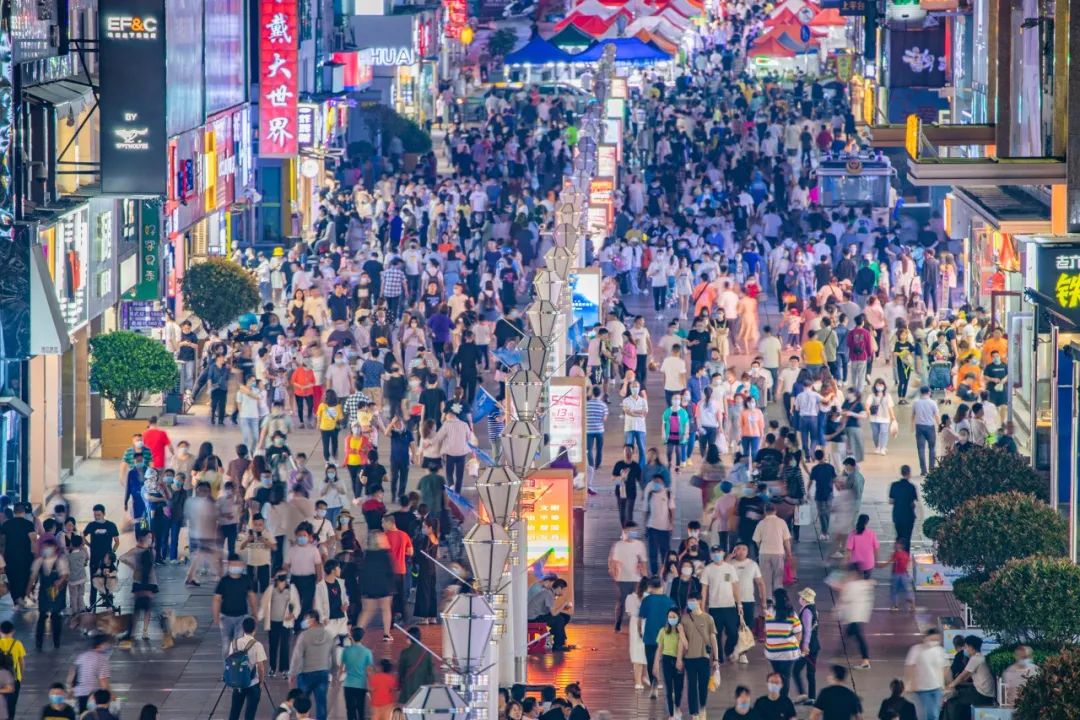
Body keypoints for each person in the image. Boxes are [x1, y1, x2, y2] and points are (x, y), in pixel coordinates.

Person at [290, 610, 336, 720]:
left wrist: (292, 673)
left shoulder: (304, 635)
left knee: (302, 704)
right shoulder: (329, 635)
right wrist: (333, 672)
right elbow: (333, 655)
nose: (305, 621)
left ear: (313, 619)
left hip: (305, 674)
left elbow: (297, 656)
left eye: (306, 619)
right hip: (322, 673)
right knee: (321, 703)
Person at [701, 545, 742, 664]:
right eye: (714, 553)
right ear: (711, 555)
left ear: (723, 553)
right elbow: (704, 589)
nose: (716, 555)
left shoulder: (730, 568)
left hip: (729, 606)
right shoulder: (708, 569)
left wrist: (739, 604)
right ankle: (718, 658)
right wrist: (703, 607)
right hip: (715, 607)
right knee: (716, 634)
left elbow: (735, 587)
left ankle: (728, 650)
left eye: (719, 552)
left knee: (733, 633)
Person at [213, 555, 258, 658]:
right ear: (228, 565)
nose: (236, 567)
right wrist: (216, 616)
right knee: (226, 646)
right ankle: (227, 671)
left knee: (239, 645)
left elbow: (252, 596)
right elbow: (217, 599)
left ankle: (238, 670)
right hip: (225, 618)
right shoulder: (224, 581)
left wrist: (255, 612)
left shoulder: (246, 579)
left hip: (242, 617)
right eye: (233, 564)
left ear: (242, 565)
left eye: (238, 564)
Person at [29, 537, 68, 651]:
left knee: (56, 616)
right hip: (44, 592)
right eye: (45, 547)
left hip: (57, 592)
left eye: (48, 547)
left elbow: (65, 575)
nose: (46, 549)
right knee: (42, 616)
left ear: (55, 548)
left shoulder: (60, 560)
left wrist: (60, 581)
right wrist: (29, 590)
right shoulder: (39, 561)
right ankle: (39, 642)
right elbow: (33, 577)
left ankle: (56, 641)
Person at [942, 635, 995, 720]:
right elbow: (966, 677)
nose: (965, 649)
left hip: (981, 694)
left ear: (971, 647)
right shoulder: (980, 657)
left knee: (952, 700)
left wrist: (950, 686)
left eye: (966, 647)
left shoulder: (976, 659)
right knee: (958, 696)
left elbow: (963, 676)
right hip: (985, 693)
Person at [640, 576, 676, 697]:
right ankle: (671, 688)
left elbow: (641, 618)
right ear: (662, 586)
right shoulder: (669, 601)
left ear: (650, 587)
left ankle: (654, 685)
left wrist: (640, 631)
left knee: (651, 662)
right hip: (667, 636)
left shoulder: (646, 600)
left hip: (650, 635)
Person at [226, 616, 268, 720]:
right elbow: (261, 667)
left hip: (238, 683)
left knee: (234, 712)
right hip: (253, 683)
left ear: (243, 628)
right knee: (250, 714)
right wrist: (261, 682)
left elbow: (230, 660)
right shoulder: (257, 645)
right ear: (255, 629)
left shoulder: (234, 643)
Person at [609, 521, 647, 632]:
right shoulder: (619, 545)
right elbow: (613, 562)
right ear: (625, 531)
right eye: (630, 531)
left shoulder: (640, 545)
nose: (633, 533)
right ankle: (618, 623)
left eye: (635, 531)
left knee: (638, 601)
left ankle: (636, 624)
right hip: (622, 579)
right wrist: (614, 575)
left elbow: (643, 562)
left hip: (636, 579)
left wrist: (645, 577)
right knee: (621, 602)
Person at [763, 589, 802, 697]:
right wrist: (796, 646)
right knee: (786, 677)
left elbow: (766, 631)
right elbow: (798, 631)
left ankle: (777, 697)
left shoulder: (769, 613)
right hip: (788, 653)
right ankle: (784, 699)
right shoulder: (791, 614)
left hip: (772, 652)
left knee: (778, 675)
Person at [904, 629, 949, 720]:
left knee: (935, 713)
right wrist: (910, 682)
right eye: (932, 639)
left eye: (937, 639)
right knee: (930, 713)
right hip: (923, 688)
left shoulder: (940, 651)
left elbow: (945, 667)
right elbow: (909, 667)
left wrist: (946, 683)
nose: (934, 642)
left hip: (937, 688)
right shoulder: (916, 649)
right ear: (925, 638)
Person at [753, 504, 793, 599]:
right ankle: (778, 597)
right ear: (775, 511)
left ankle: (769, 599)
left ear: (765, 511)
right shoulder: (782, 522)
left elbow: (757, 540)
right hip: (778, 552)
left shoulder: (761, 523)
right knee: (778, 577)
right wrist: (789, 554)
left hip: (764, 553)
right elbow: (786, 540)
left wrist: (761, 548)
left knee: (766, 577)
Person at [653, 607, 686, 720]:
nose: (672, 619)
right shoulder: (663, 631)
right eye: (670, 617)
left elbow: (684, 645)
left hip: (679, 660)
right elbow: (659, 648)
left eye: (674, 617)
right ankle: (671, 714)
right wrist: (656, 663)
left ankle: (677, 707)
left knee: (679, 687)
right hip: (666, 660)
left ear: (678, 617)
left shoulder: (681, 630)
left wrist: (679, 660)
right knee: (668, 688)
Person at [68, 634, 112, 713]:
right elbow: (103, 680)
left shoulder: (82, 656)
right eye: (107, 644)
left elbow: (73, 673)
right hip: (93, 694)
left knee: (83, 715)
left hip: (80, 692)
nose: (108, 646)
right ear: (101, 644)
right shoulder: (102, 659)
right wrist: (110, 695)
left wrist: (71, 690)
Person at [528, 576, 573, 651]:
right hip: (533, 618)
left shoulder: (550, 593)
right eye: (564, 590)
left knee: (566, 617)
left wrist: (564, 607)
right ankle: (558, 645)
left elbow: (551, 610)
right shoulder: (548, 594)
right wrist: (564, 603)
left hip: (539, 614)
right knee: (559, 620)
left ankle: (553, 633)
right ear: (559, 588)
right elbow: (554, 614)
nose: (564, 592)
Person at [792, 588, 820, 705]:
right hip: (815, 645)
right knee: (810, 672)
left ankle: (803, 694)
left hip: (808, 647)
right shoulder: (814, 609)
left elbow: (807, 630)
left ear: (804, 599)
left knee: (796, 670)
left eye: (801, 597)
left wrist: (805, 646)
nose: (799, 599)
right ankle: (811, 697)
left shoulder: (807, 612)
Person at [341, 627, 374, 720]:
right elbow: (369, 670)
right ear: (362, 637)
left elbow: (342, 668)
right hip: (361, 685)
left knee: (350, 709)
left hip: (348, 684)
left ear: (351, 637)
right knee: (360, 709)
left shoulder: (346, 651)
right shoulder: (367, 652)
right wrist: (371, 685)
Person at [397, 626, 435, 702]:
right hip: (423, 688)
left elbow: (401, 671)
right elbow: (431, 671)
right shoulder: (426, 652)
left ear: (410, 638)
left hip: (409, 687)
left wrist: (400, 682)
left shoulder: (405, 653)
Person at [912, 387, 940, 476]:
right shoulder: (933, 403)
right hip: (930, 427)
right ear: (929, 392)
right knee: (932, 448)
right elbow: (937, 416)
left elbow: (913, 415)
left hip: (919, 427)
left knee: (921, 449)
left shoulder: (916, 403)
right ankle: (932, 468)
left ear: (920, 392)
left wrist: (912, 427)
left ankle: (923, 470)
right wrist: (940, 426)